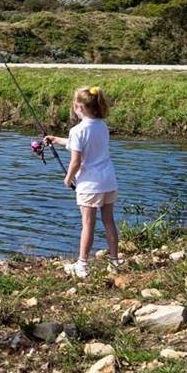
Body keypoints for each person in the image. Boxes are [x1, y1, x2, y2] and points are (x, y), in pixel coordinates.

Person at [43, 85, 120, 278]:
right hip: (109, 180)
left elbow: (76, 160)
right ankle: (115, 261)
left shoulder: (77, 130)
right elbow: (84, 145)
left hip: (89, 184)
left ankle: (82, 265)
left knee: (88, 224)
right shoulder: (102, 126)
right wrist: (57, 140)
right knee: (109, 221)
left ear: (79, 107)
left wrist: (68, 178)